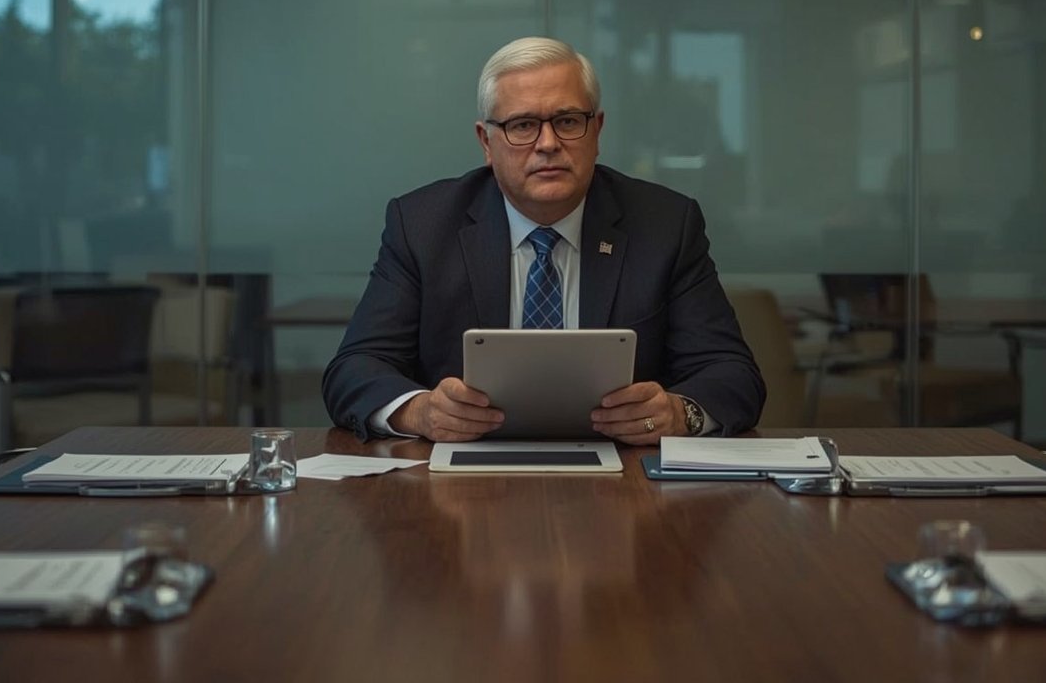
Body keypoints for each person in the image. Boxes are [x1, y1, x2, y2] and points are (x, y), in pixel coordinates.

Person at [323, 37, 764, 443]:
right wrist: (420, 413)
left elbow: (732, 374)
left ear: (597, 131)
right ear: (486, 142)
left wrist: (677, 412)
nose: (548, 143)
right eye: (522, 125)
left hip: (626, 479)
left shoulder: (665, 224)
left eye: (568, 121)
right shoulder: (422, 226)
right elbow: (354, 370)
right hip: (459, 479)